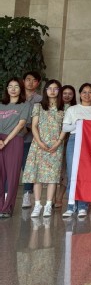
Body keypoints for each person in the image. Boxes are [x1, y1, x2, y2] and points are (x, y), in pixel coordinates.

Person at [23, 79, 66, 219]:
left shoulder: (64, 107)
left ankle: (48, 204)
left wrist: (58, 142)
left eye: (55, 89)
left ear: (59, 91)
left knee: (52, 176)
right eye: (49, 88)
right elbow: (34, 126)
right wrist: (39, 142)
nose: (52, 91)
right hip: (39, 144)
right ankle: (37, 205)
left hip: (56, 145)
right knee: (37, 176)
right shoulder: (38, 106)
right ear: (45, 90)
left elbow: (65, 127)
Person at [61, 83, 91, 218]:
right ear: (80, 94)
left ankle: (83, 206)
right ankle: (71, 206)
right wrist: (78, 124)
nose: (87, 95)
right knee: (72, 173)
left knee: (85, 174)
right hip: (74, 140)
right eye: (84, 92)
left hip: (90, 143)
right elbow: (65, 128)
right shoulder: (72, 109)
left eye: (90, 92)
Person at [0, 78, 32, 218]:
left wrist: (6, 141)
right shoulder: (1, 104)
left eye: (16, 86)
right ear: (6, 89)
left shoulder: (25, 105)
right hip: (0, 139)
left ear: (21, 89)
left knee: (12, 175)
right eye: (10, 86)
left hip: (14, 140)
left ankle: (7, 207)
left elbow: (21, 124)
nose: (13, 89)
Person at [20, 71, 42, 210]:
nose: (30, 82)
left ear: (38, 83)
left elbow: (39, 119)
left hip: (29, 138)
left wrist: (26, 129)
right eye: (28, 79)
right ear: (23, 81)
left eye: (34, 80)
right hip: (11, 138)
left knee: (27, 167)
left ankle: (27, 194)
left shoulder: (40, 99)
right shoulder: (16, 96)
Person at [55, 84, 76, 207]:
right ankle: (51, 198)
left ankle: (59, 198)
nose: (67, 96)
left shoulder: (74, 109)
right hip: (54, 143)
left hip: (69, 142)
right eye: (65, 93)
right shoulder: (54, 107)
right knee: (55, 171)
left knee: (66, 171)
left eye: (70, 94)